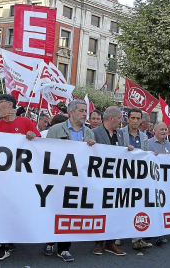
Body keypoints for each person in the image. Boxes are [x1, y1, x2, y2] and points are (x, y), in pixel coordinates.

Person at [45, 99, 96, 262]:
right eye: (81, 111)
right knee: (54, 210)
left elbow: (93, 157)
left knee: (69, 212)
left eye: (85, 111)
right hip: (58, 178)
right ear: (71, 112)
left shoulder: (89, 132)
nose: (84, 114)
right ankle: (50, 239)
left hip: (78, 180)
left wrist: (92, 146)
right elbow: (46, 152)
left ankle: (64, 248)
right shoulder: (55, 130)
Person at [0, 94, 39, 261]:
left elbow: (41, 146)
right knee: (1, 208)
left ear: (9, 105)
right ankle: (3, 244)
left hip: (19, 176)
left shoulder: (25, 122)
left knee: (13, 208)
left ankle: (8, 240)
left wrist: (33, 136)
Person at [91, 106, 126, 256]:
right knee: (100, 210)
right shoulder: (94, 132)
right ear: (111, 118)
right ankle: (98, 243)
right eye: (119, 118)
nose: (121, 121)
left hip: (116, 179)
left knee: (114, 211)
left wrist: (128, 150)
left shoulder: (120, 134)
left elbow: (123, 151)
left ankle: (110, 243)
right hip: (100, 178)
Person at [118, 108, 151, 249]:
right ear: (128, 119)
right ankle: (117, 235)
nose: (136, 121)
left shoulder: (144, 137)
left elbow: (145, 155)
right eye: (133, 118)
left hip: (138, 177)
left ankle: (137, 238)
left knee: (137, 205)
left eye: (138, 118)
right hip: (122, 175)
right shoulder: (120, 134)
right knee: (121, 205)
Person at [147, 122, 170, 245]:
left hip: (164, 182)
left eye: (165, 129)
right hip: (151, 181)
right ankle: (149, 233)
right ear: (155, 131)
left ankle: (159, 234)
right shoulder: (148, 143)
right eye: (161, 129)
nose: (164, 131)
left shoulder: (168, 144)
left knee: (161, 207)